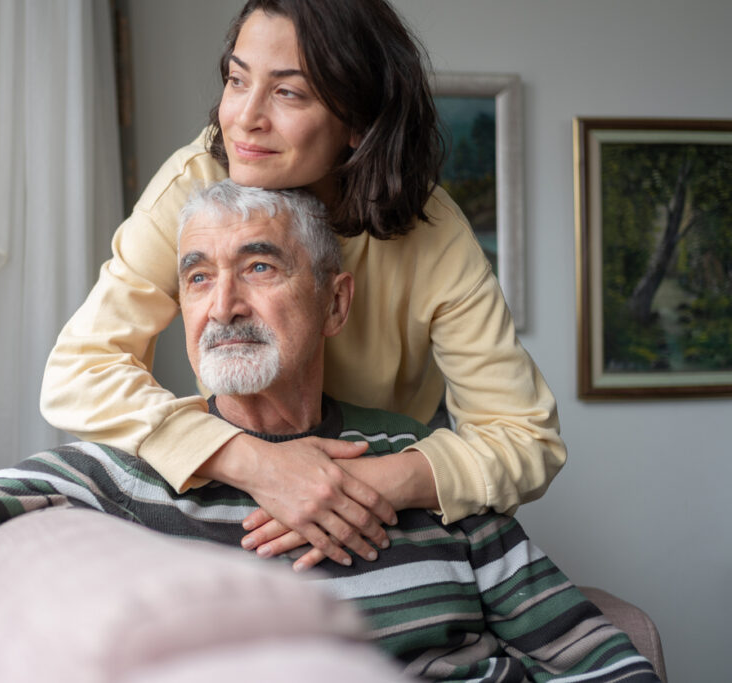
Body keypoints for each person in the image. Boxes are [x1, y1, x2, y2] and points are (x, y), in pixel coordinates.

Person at [0, 182, 657, 683]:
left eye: (261, 266)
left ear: (337, 302)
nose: (223, 304)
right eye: (197, 277)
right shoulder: (125, 476)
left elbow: (593, 659)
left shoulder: (429, 473)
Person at [41, 0, 567, 571]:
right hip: (234, 482)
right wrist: (253, 463)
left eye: (288, 93)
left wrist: (364, 485)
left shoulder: (434, 234)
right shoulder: (191, 185)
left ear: (359, 121)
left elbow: (525, 437)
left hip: (381, 507)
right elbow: (78, 371)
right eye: (237, 80)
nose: (244, 118)